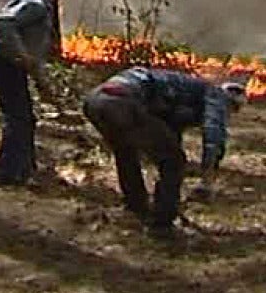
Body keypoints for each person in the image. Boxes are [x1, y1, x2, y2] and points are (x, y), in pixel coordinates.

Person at [82, 67, 247, 238]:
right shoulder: (216, 95)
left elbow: (169, 133)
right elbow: (214, 133)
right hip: (123, 102)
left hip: (94, 101)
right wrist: (207, 177)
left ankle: (136, 210)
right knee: (174, 161)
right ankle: (162, 226)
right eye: (232, 109)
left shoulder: (182, 92)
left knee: (126, 151)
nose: (228, 114)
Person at [0, 0, 63, 187]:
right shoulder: (35, 5)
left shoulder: (33, 4)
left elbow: (33, 55)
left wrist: (42, 84)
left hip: (9, 65)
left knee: (25, 118)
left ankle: (24, 170)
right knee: (18, 119)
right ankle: (7, 174)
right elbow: (2, 23)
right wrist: (20, 53)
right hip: (5, 64)